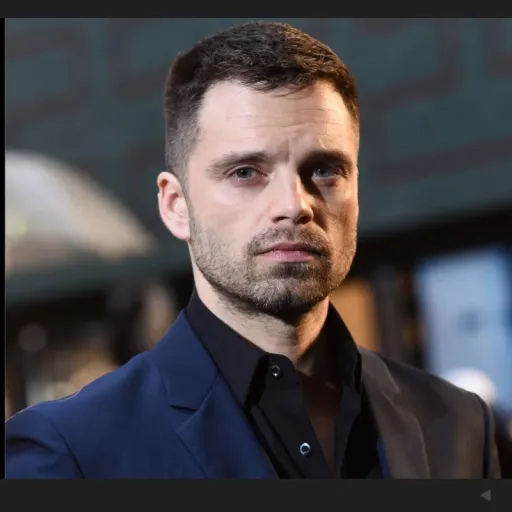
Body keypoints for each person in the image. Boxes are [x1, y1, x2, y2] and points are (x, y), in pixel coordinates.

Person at [6, 21, 501, 479]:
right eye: (246, 172)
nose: (294, 205)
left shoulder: (459, 424)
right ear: (176, 206)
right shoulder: (70, 451)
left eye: (325, 170)